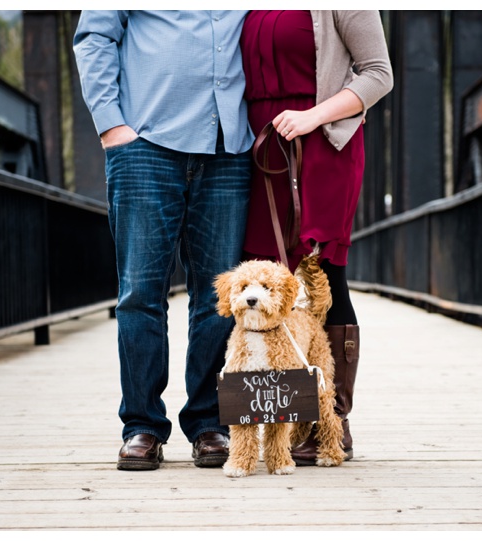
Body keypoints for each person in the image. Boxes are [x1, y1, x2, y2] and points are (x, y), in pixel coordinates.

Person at [73, 11, 254, 471]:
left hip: (227, 149)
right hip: (146, 146)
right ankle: (142, 427)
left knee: (219, 298)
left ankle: (210, 423)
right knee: (140, 294)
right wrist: (112, 125)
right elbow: (94, 36)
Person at [239, 10, 393, 464]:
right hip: (258, 148)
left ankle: (334, 422)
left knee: (324, 279)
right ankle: (282, 422)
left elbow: (378, 74)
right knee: (264, 281)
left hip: (322, 144)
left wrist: (312, 117)